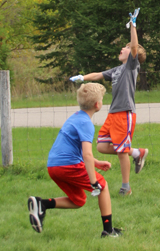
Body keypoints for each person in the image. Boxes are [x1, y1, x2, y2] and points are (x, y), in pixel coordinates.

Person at [28, 83, 122, 238]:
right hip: (67, 166)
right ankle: (109, 231)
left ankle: (42, 204)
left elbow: (73, 148)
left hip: (53, 166)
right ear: (97, 104)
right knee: (103, 186)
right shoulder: (86, 123)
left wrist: (96, 163)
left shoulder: (76, 117)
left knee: (78, 200)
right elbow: (86, 154)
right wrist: (94, 181)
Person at [70, 9, 148, 196]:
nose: (122, 49)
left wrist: (133, 25)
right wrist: (82, 77)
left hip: (124, 113)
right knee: (101, 146)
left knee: (121, 151)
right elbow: (98, 75)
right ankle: (137, 153)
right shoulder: (117, 69)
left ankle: (125, 187)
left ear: (132, 54)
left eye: (125, 47)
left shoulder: (131, 65)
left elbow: (135, 47)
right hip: (113, 114)